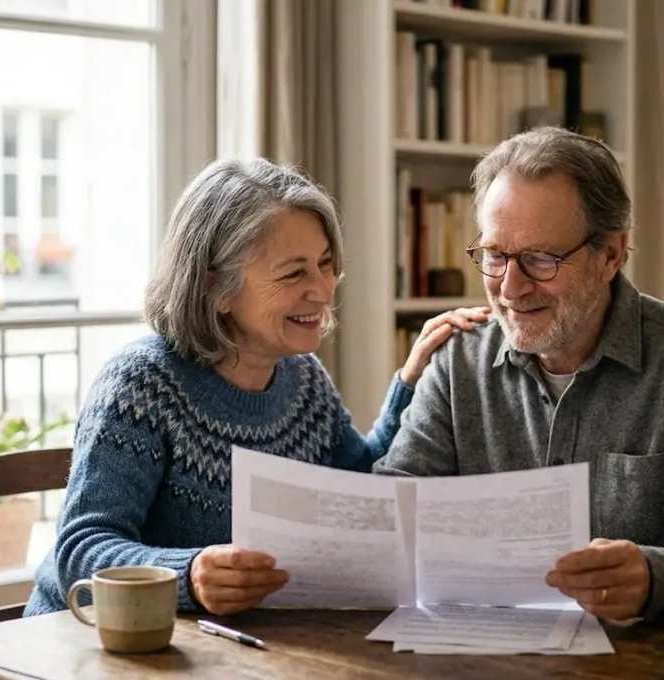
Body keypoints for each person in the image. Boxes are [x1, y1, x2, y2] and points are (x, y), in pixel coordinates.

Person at [373, 127, 664, 624]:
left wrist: (656, 577)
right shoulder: (457, 362)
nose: (510, 288)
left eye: (540, 259)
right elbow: (392, 519)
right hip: (483, 649)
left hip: (646, 656)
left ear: (611, 255)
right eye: (495, 256)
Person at [24, 158, 489, 617]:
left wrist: (410, 381)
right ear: (217, 288)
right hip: (78, 638)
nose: (324, 290)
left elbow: (358, 489)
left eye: (325, 264)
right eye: (294, 273)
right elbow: (80, 550)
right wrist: (188, 576)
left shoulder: (303, 379)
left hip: (211, 644)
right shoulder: (141, 385)